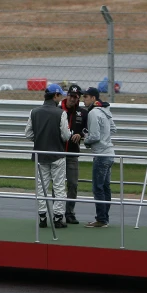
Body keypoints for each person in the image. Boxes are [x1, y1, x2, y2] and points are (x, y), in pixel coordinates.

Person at [25, 84, 72, 229]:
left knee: (41, 186)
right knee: (58, 186)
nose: (62, 97)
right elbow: (65, 136)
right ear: (55, 96)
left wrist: (40, 138)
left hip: (40, 154)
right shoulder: (61, 113)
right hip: (57, 154)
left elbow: (28, 134)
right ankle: (58, 218)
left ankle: (42, 217)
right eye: (60, 95)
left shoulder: (34, 112)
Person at [82, 87, 117, 228]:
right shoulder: (105, 110)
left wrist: (86, 139)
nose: (83, 99)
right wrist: (105, 137)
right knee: (105, 187)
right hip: (109, 153)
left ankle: (101, 219)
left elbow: (95, 136)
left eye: (86, 96)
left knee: (98, 188)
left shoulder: (93, 112)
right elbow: (113, 129)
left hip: (101, 155)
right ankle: (104, 218)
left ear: (93, 98)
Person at [60, 84, 88, 225]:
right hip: (58, 153)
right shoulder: (58, 110)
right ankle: (57, 213)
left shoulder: (83, 113)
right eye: (71, 96)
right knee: (58, 185)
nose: (72, 99)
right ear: (67, 95)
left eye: (75, 97)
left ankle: (70, 213)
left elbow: (88, 130)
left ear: (78, 98)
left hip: (73, 154)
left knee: (73, 184)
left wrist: (81, 134)